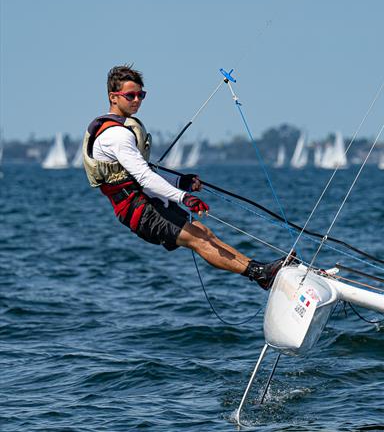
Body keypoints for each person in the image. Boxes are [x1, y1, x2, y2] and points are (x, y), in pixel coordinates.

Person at [83, 65, 287, 289]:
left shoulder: (123, 128)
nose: (137, 100)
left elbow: (145, 174)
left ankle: (262, 271)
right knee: (198, 240)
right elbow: (144, 177)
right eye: (130, 95)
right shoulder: (116, 135)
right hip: (139, 211)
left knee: (203, 232)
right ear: (113, 97)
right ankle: (261, 274)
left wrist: (182, 182)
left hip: (149, 202)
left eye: (141, 95)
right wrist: (183, 197)